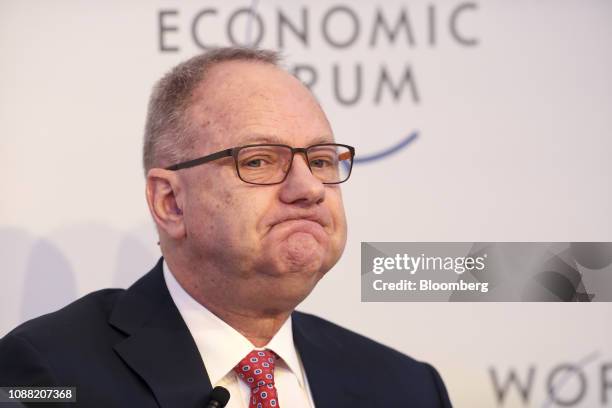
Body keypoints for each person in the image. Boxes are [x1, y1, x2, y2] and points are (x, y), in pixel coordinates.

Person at [0, 47, 452, 407]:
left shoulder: (407, 388)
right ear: (170, 202)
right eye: (258, 161)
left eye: (319, 160)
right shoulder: (49, 375)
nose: (309, 188)